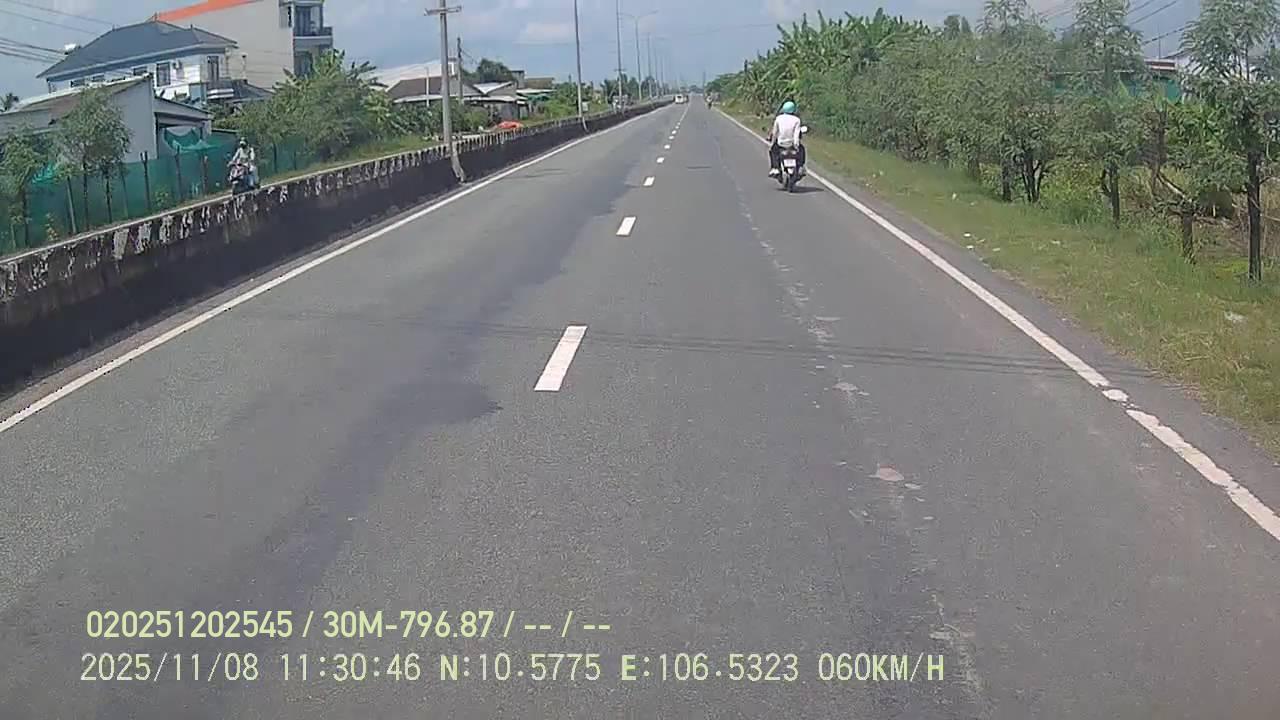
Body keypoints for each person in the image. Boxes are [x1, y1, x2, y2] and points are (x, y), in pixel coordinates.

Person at [767, 100, 805, 177]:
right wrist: (796, 145)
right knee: (802, 150)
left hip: (781, 143)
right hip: (792, 144)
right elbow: (796, 134)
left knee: (773, 151)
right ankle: (800, 166)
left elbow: (775, 132)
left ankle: (775, 167)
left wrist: (772, 143)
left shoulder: (779, 118)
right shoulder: (797, 120)